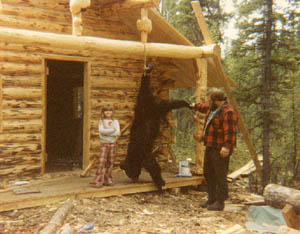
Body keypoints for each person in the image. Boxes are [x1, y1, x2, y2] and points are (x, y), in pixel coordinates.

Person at [190, 90, 238, 211]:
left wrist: (226, 147)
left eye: (210, 100)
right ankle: (211, 199)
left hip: (221, 148)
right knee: (208, 173)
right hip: (211, 145)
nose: (208, 103)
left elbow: (230, 132)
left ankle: (220, 201)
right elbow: (204, 107)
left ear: (217, 101)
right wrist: (193, 106)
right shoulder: (213, 108)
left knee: (220, 175)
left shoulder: (228, 112)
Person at [91, 104, 120, 188]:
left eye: (110, 111)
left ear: (112, 112)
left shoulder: (115, 121)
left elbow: (117, 132)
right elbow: (102, 132)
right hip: (104, 143)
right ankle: (98, 181)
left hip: (112, 143)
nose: (108, 112)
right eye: (106, 111)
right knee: (101, 162)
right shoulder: (101, 121)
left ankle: (108, 179)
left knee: (110, 162)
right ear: (103, 112)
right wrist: (112, 130)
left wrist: (108, 132)